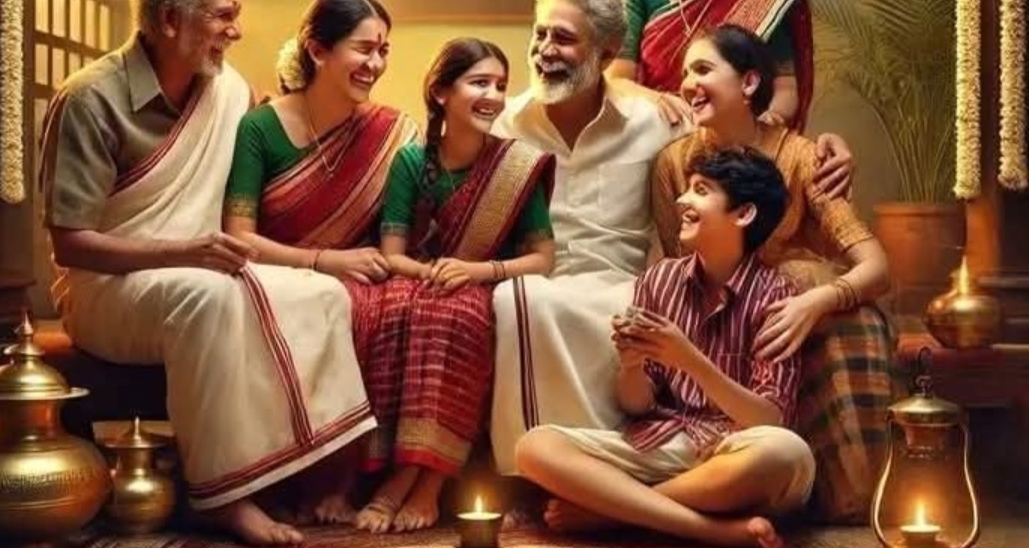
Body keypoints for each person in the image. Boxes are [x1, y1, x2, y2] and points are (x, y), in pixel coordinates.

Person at [42, 0, 377, 544]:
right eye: (222, 16)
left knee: (322, 292)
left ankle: (309, 472)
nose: (236, 31)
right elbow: (71, 244)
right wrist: (184, 252)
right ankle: (222, 496)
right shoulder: (90, 98)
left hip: (202, 270)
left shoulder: (229, 91)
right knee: (208, 298)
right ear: (170, 20)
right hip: (104, 290)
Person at [488, 0, 852, 479]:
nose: (545, 50)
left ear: (605, 52)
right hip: (539, 277)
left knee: (780, 452)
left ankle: (593, 485)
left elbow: (736, 134)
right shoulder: (506, 124)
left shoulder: (659, 123)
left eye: (563, 38)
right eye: (540, 35)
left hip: (624, 284)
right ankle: (547, 481)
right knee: (519, 297)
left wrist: (822, 148)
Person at [650, 24, 894, 522]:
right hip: (714, 311)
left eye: (703, 69)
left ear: (749, 83)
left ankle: (842, 494)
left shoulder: (803, 157)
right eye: (685, 73)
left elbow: (876, 266)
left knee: (852, 314)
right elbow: (680, 267)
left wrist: (815, 301)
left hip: (787, 308)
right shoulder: (673, 163)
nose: (688, 84)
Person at [516, 147, 812, 548]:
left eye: (701, 191)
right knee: (535, 447)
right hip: (663, 445)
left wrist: (688, 359)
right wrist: (631, 366)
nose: (682, 201)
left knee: (787, 454)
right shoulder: (660, 280)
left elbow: (770, 420)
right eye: (687, 189)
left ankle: (611, 513)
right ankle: (713, 531)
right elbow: (637, 404)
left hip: (733, 454)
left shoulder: (776, 296)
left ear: (743, 214)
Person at [221, 0, 419, 526]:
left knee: (400, 306)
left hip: (364, 273)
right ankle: (293, 480)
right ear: (317, 50)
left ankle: (353, 481)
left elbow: (406, 233)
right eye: (363, 49)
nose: (376, 64)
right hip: (278, 276)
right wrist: (322, 261)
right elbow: (239, 236)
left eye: (383, 51)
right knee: (322, 302)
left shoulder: (391, 132)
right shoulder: (260, 128)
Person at [351, 38, 557, 534]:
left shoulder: (515, 165)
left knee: (456, 314)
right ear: (441, 92)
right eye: (479, 83)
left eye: (501, 86)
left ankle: (417, 485)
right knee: (390, 309)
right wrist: (433, 273)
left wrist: (475, 272)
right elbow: (393, 254)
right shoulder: (410, 161)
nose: (494, 96)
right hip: (420, 278)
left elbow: (543, 259)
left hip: (482, 285)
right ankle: (407, 475)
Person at [607, 0, 813, 128]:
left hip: (739, 140)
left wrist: (769, 121)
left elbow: (785, 87)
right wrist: (658, 101)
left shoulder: (762, 2)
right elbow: (615, 80)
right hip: (661, 127)